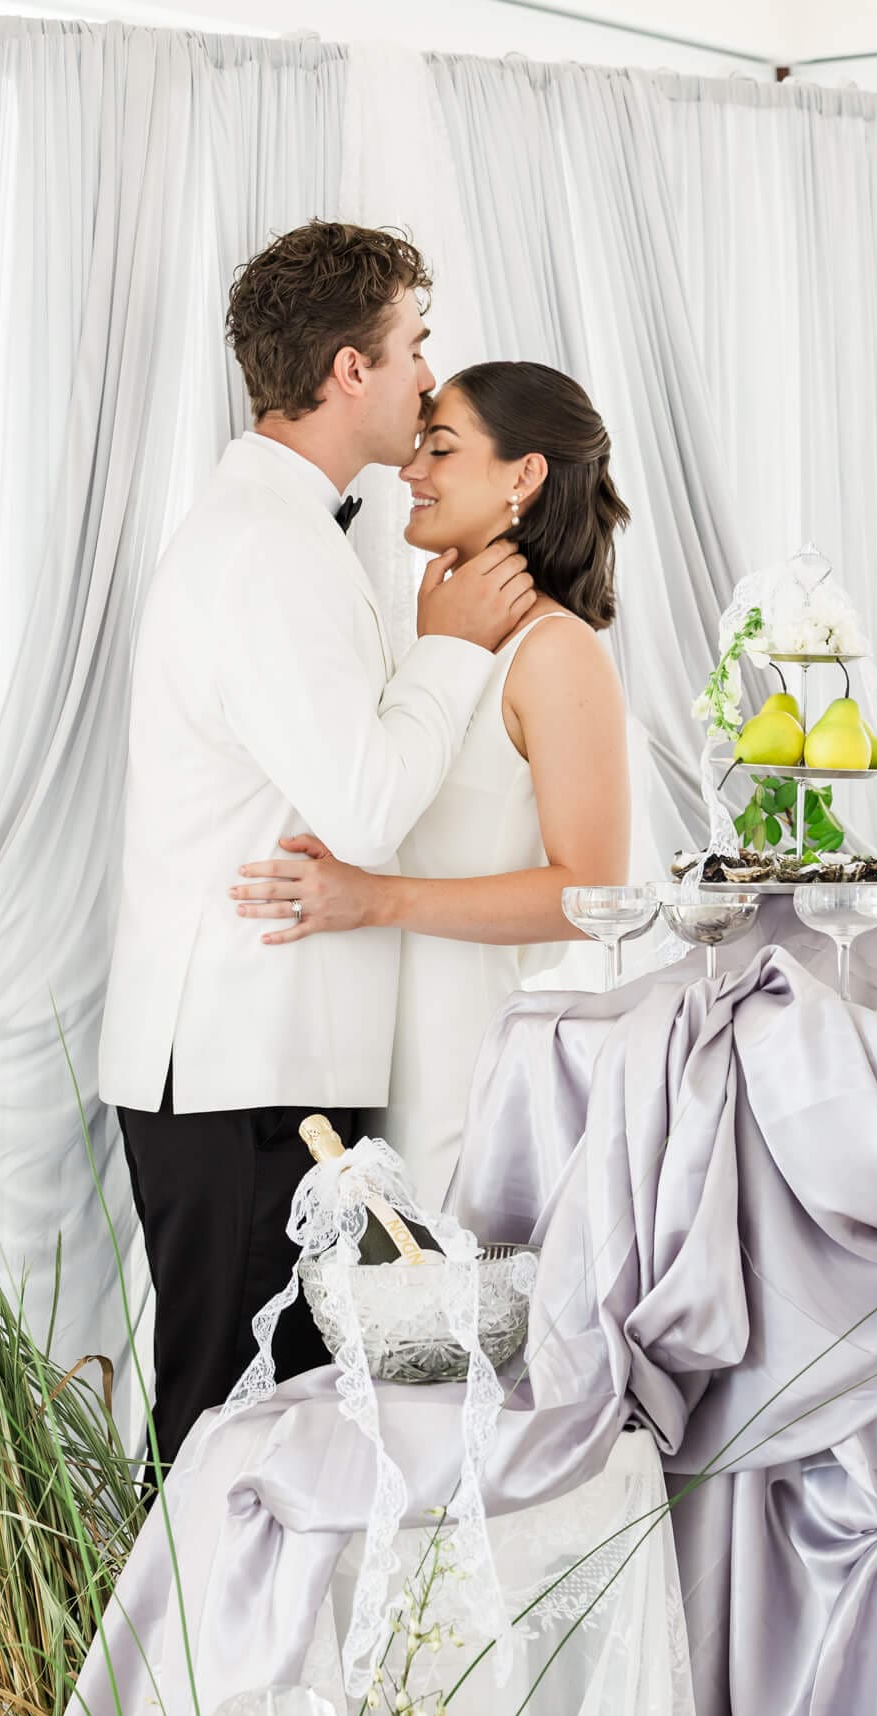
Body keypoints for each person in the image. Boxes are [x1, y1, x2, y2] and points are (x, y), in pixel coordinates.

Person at [97, 224, 535, 1473]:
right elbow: (365, 803)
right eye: (415, 348)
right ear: (352, 368)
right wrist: (450, 643)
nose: (427, 384)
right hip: (243, 1069)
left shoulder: (289, 532)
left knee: (271, 1436)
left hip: (262, 1062)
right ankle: (169, 1675)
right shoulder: (266, 547)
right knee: (229, 1441)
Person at [229, 360, 633, 1206]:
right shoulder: (446, 644)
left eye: (440, 449)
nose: (409, 470)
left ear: (524, 474)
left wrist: (374, 899)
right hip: (380, 1063)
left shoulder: (556, 653)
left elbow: (591, 892)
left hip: (469, 1070)